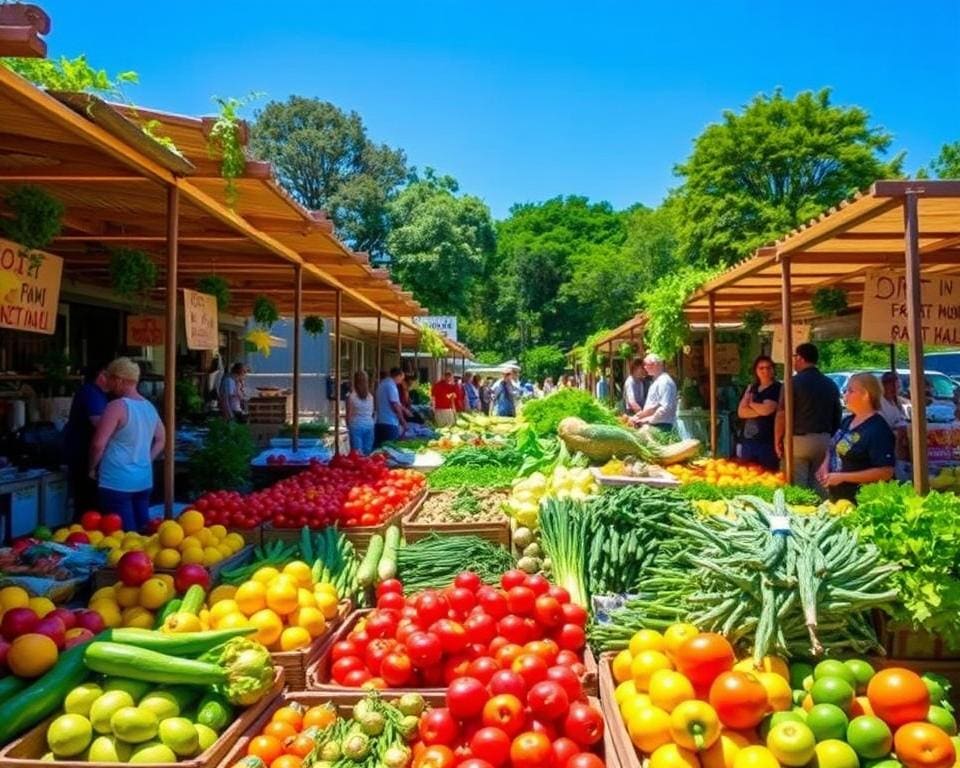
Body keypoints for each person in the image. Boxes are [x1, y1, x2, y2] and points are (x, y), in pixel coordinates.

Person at [89, 358, 165, 532]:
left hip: (117, 480)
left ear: (119, 380)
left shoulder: (116, 407)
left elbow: (98, 445)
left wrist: (92, 467)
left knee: (125, 536)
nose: (108, 383)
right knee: (144, 530)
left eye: (110, 378)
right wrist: (147, 459)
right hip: (143, 479)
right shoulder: (149, 407)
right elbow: (161, 439)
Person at [816, 372, 895, 502]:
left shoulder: (878, 429)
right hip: (839, 498)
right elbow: (832, 447)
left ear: (865, 395)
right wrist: (825, 466)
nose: (845, 395)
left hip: (861, 501)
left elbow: (886, 472)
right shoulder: (847, 421)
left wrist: (842, 477)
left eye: (850, 391)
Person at [775, 343, 842, 491]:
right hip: (824, 440)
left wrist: (777, 439)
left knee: (796, 488)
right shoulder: (830, 383)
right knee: (819, 486)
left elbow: (782, 414)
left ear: (800, 358)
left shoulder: (792, 383)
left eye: (795, 357)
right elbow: (838, 414)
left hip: (797, 441)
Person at [63, 362, 111, 515]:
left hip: (89, 455)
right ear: (102, 375)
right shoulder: (91, 392)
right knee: (87, 504)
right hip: (83, 455)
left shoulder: (100, 395)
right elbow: (99, 424)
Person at [737, 355, 782, 470]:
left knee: (768, 476)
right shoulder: (752, 388)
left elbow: (768, 409)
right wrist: (760, 409)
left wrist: (751, 404)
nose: (765, 371)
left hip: (767, 443)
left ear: (773, 369)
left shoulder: (777, 388)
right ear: (756, 371)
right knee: (747, 476)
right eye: (761, 368)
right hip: (748, 442)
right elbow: (741, 412)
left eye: (768, 367)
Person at [630, 354, 678, 431]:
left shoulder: (665, 382)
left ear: (655, 365)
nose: (644, 367)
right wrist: (639, 416)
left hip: (662, 426)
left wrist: (648, 419)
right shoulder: (657, 381)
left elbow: (665, 408)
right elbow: (654, 407)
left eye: (646, 364)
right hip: (655, 424)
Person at [374, 367, 407, 447]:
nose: (401, 382)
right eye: (401, 379)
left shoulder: (382, 384)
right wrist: (402, 420)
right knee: (390, 450)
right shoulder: (391, 386)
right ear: (398, 376)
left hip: (379, 421)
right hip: (390, 423)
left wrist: (405, 410)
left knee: (380, 449)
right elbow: (395, 404)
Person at [346, 371, 375, 455]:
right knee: (367, 451)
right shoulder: (370, 396)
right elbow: (372, 412)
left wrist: (348, 426)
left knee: (357, 453)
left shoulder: (351, 397)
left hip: (355, 425)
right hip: (369, 425)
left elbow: (348, 415)